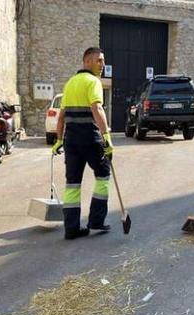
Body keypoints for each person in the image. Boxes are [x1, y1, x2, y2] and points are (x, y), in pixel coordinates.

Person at [52, 47, 114, 240]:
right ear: (87, 61)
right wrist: (107, 137)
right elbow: (97, 108)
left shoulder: (70, 83)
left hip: (71, 141)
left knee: (72, 183)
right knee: (103, 176)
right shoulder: (93, 82)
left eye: (103, 61)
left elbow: (61, 116)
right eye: (99, 61)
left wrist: (59, 139)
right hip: (91, 139)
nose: (102, 65)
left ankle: (71, 229)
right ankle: (95, 221)